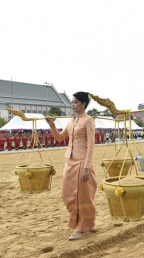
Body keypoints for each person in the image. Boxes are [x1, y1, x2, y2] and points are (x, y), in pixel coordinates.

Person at [45, 92, 97, 241]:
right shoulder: (71, 121)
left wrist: (87, 167)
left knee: (82, 196)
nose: (72, 105)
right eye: (72, 102)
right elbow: (60, 137)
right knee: (67, 194)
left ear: (83, 104)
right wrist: (52, 125)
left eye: (75, 102)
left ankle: (82, 227)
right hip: (70, 162)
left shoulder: (88, 120)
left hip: (82, 162)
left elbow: (91, 144)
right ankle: (84, 223)